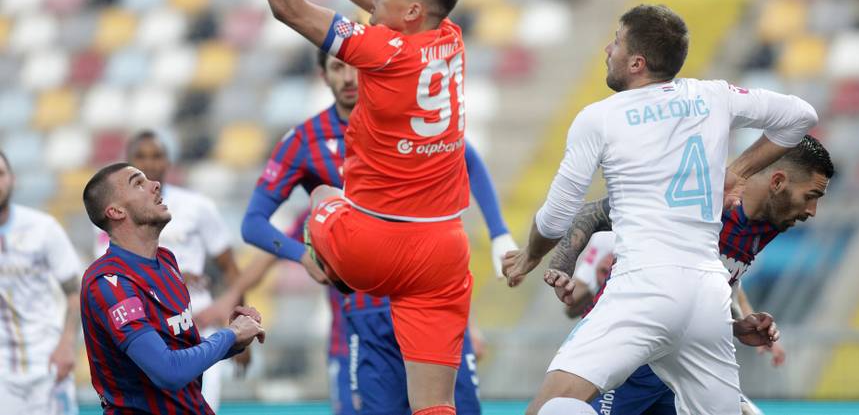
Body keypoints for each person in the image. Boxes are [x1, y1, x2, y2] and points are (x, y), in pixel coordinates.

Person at [205, 0, 479, 414]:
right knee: (436, 406)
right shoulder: (447, 37)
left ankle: (330, 264)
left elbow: (290, 8)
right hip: (443, 251)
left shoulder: (382, 49)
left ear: (411, 11)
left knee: (325, 193)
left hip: (372, 246)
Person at [502, 4, 818, 415]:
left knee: (553, 407)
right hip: (706, 296)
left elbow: (557, 216)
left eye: (616, 42)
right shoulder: (711, 96)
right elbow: (801, 116)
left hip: (643, 287)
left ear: (636, 62)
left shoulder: (600, 117)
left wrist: (530, 255)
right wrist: (738, 171)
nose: (607, 49)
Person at [206, 49, 516, 415]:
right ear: (324, 75)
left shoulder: (409, 119)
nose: (349, 77)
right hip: (361, 315)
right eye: (338, 68)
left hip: (429, 302)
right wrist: (302, 257)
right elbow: (253, 223)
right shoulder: (306, 141)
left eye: (357, 67)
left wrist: (499, 233)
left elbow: (467, 160)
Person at [544, 135, 832, 415]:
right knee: (556, 407)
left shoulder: (767, 224)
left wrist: (737, 323)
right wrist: (560, 266)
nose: (813, 211)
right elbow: (593, 213)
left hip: (684, 363)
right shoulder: (697, 196)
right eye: (811, 196)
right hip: (630, 355)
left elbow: (721, 280)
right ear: (778, 183)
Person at [80, 162, 265, 414]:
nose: (155, 184)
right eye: (138, 183)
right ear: (115, 211)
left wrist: (235, 339)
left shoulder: (167, 261)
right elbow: (168, 371)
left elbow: (179, 349)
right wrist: (230, 335)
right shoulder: (109, 281)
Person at [0, 150, 82, 415]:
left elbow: (75, 293)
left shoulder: (43, 228)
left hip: (48, 363)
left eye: (0, 174)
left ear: (13, 179)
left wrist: (67, 346)